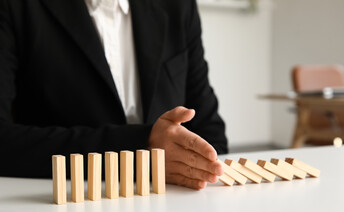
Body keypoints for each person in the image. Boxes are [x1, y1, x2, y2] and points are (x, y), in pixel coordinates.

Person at [0, 0, 228, 190]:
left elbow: (211, 133)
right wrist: (141, 154)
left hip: (174, 210)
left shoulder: (177, 6)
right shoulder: (14, 6)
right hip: (62, 209)